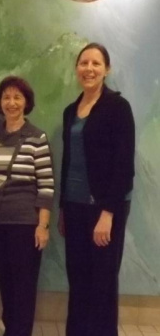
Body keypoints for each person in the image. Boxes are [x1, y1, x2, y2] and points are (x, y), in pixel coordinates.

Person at [58, 43, 135, 336]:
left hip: (105, 209)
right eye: (84, 63)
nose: (89, 69)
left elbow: (123, 165)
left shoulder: (118, 107)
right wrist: (64, 208)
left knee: (103, 285)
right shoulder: (69, 111)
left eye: (96, 64)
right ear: (77, 68)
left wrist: (108, 213)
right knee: (78, 282)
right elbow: (68, 162)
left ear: (107, 69)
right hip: (75, 208)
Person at [0, 76, 54, 336]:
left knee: (24, 286)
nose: (11, 102)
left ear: (26, 102)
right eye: (6, 97)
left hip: (25, 225)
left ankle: (19, 331)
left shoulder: (37, 138)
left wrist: (43, 225)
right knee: (6, 281)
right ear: (0, 102)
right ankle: (11, 328)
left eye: (17, 97)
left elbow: (46, 185)